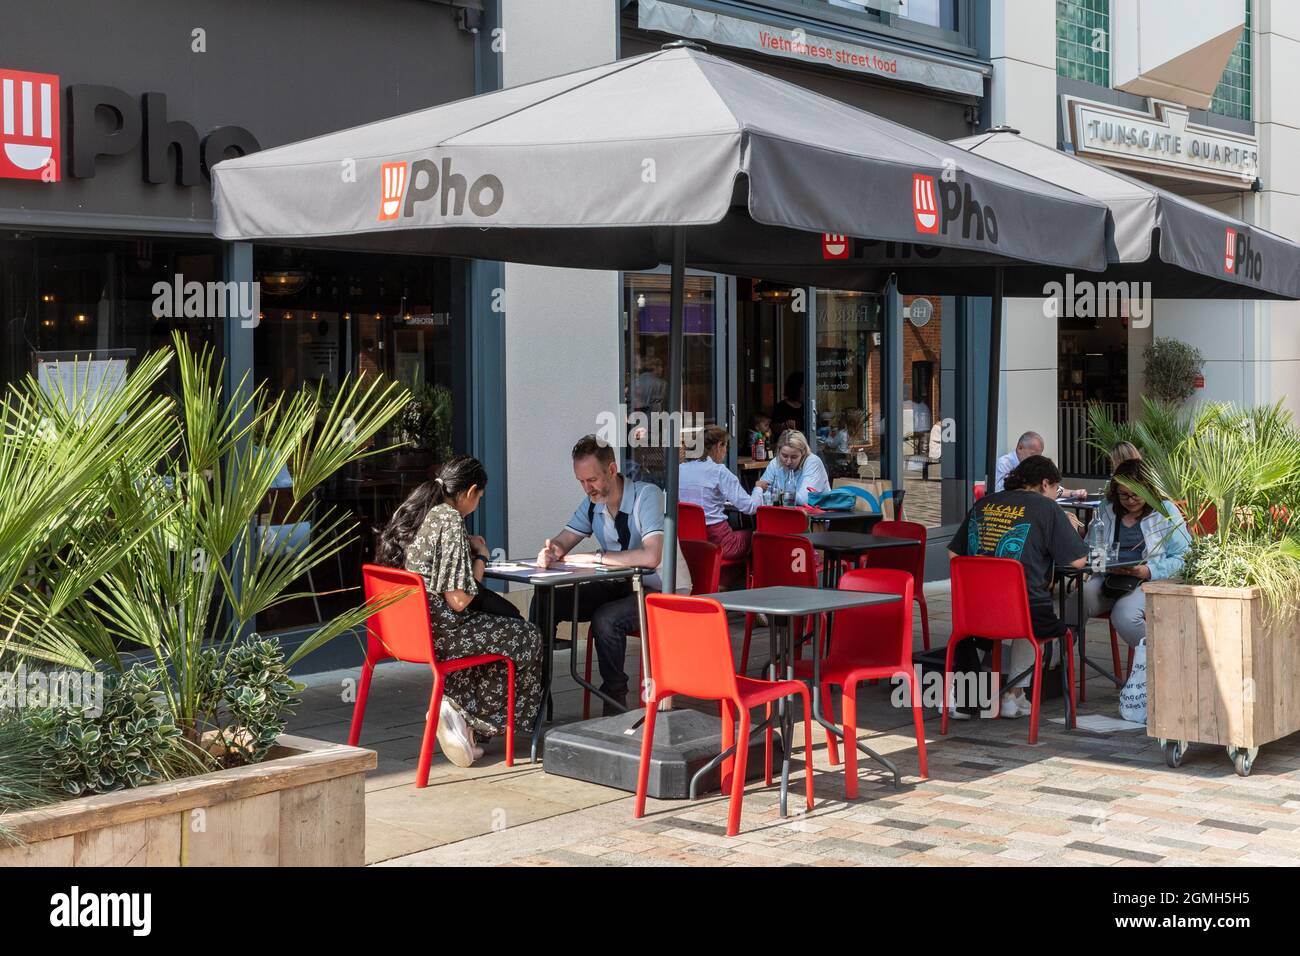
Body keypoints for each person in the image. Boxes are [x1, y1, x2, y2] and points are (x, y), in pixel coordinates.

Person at [376, 455, 543, 768]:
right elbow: (460, 600)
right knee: (527, 635)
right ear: (471, 491)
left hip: (409, 633)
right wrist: (480, 555)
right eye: (479, 498)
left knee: (495, 627)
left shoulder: (422, 514)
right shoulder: (450, 520)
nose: (477, 504)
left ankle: (459, 716)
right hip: (442, 635)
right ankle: (475, 723)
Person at [531, 435, 691, 714]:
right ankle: (536, 690)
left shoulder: (647, 495)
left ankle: (614, 703)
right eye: (580, 481)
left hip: (663, 591)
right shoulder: (594, 502)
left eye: (591, 480)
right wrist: (552, 551)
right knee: (547, 599)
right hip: (624, 584)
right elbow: (564, 540)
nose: (586, 488)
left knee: (606, 618)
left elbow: (651, 556)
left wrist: (597, 557)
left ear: (612, 470)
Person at [947, 455, 1088, 719]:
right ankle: (1013, 695)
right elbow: (1078, 561)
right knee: (1039, 617)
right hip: (1022, 613)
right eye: (1056, 490)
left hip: (974, 614)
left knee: (1012, 614)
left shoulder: (984, 503)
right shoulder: (1047, 508)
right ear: (1045, 483)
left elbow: (954, 557)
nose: (1056, 496)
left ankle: (964, 697)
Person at [1065, 458, 1190, 651]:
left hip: (1149, 581)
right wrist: (1103, 564)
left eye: (1136, 495)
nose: (1130, 501)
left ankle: (1158, 663)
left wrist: (1147, 571)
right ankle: (1055, 662)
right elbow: (1090, 550)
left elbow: (1184, 558)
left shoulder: (1165, 511)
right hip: (1109, 577)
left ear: (1148, 489)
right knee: (1076, 601)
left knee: (1125, 615)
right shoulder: (1106, 509)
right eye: (1124, 495)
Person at [679, 424, 761, 561]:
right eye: (726, 447)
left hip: (687, 544)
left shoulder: (679, 470)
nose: (726, 452)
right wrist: (758, 488)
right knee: (756, 535)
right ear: (718, 446)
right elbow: (751, 507)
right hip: (719, 543)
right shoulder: (718, 471)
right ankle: (751, 580)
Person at [995, 429, 1088, 500]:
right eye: (1033, 454)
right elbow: (997, 491)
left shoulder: (1035, 466)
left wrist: (1073, 493)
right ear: (1020, 448)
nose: (1036, 459)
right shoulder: (1004, 463)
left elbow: (1050, 486)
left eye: (1039, 455)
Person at [755, 429, 830, 506]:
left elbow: (804, 499)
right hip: (785, 513)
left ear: (803, 453)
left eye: (794, 457)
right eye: (784, 456)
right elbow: (760, 493)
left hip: (813, 515)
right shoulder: (776, 462)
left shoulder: (813, 462)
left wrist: (777, 493)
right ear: (779, 451)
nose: (788, 461)